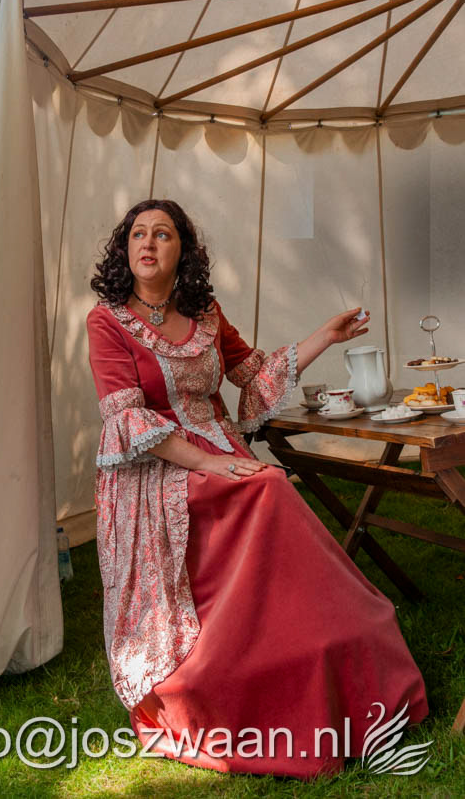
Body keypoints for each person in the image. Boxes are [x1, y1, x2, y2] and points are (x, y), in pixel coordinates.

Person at [86, 199, 427, 778]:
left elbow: (254, 375)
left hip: (220, 452)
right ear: (125, 249)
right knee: (268, 488)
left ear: (182, 251)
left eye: (162, 234)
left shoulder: (206, 313)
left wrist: (325, 336)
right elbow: (126, 419)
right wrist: (207, 463)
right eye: (138, 234)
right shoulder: (107, 321)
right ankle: (232, 665)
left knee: (268, 487)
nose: (147, 243)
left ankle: (328, 636)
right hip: (157, 466)